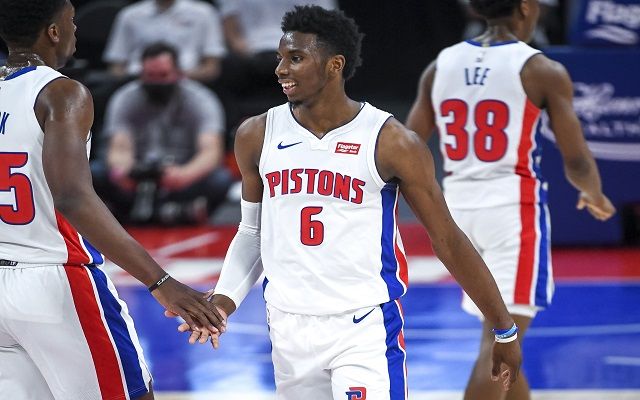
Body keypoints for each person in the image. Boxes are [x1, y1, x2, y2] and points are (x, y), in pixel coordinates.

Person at [174, 5, 521, 399]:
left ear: (334, 65)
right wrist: (223, 301)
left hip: (363, 326)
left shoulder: (390, 140)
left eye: (296, 58)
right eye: (280, 58)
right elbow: (252, 232)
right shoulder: (256, 134)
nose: (281, 69)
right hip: (287, 326)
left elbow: (448, 240)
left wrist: (503, 328)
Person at [0, 1, 225, 399]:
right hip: (55, 279)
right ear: (54, 32)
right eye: (71, 22)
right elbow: (72, 197)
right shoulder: (61, 92)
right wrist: (161, 282)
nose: (75, 31)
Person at [405, 1, 616, 399]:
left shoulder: (441, 64)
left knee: (499, 339)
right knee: (499, 344)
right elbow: (576, 160)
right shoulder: (540, 69)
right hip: (511, 212)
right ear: (525, 7)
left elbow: (409, 143)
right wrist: (594, 193)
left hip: (457, 213)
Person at [92, 42, 233, 225]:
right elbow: (119, 147)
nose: (157, 82)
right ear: (141, 73)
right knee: (94, 173)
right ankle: (171, 212)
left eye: (163, 75)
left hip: (181, 175)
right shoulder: (124, 98)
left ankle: (153, 212)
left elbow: (211, 152)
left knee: (220, 180)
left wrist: (184, 175)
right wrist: (123, 172)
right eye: (150, 75)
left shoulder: (201, 100)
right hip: (137, 177)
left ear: (178, 73)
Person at [103, 0, 226, 82]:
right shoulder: (129, 15)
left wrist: (172, 77)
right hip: (136, 82)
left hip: (188, 81)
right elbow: (116, 66)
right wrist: (146, 78)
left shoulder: (204, 13)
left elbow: (212, 68)